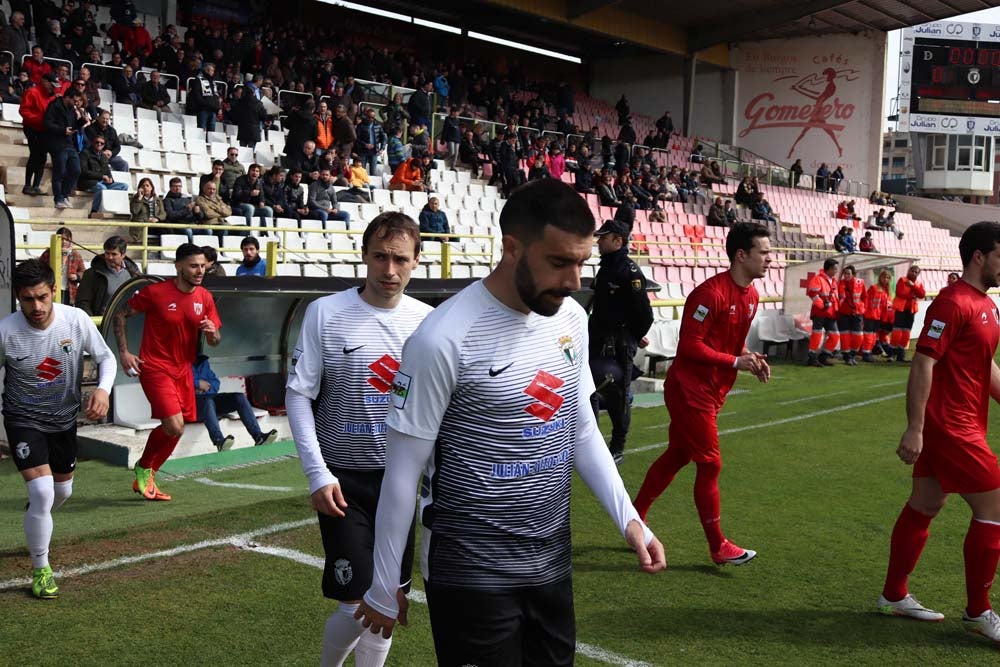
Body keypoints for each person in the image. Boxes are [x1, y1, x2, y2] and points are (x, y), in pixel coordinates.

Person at [355, 179, 665, 664]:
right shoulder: (441, 339)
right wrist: (383, 583)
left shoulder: (570, 321)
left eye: (581, 262)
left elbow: (580, 426)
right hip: (468, 568)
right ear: (512, 248)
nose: (574, 281)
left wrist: (629, 520)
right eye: (559, 262)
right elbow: (401, 473)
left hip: (550, 560)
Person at [286, 212, 433, 667]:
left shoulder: (428, 323)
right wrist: (316, 472)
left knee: (387, 602)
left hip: (401, 482)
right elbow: (298, 394)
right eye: (380, 257)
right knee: (355, 603)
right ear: (364, 255)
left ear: (416, 261)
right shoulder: (325, 312)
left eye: (400, 259)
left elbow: (436, 410)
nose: (389, 270)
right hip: (343, 480)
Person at [878, 221, 1000, 644]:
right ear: (980, 256)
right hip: (952, 426)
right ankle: (978, 612)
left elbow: (984, 367)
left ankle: (894, 595)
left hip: (961, 423)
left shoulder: (986, 303)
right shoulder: (952, 303)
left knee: (925, 504)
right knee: (995, 509)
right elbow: (923, 361)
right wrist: (915, 428)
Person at [632, 223, 770, 565]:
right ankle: (717, 546)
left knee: (678, 454)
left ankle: (632, 518)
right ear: (741, 255)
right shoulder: (710, 294)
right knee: (710, 463)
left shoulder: (751, 295)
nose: (770, 259)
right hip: (689, 390)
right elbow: (689, 346)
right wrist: (735, 361)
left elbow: (730, 341)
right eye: (763, 252)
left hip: (712, 390)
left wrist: (748, 356)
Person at [1, 259, 115, 599]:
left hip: (64, 420)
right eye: (27, 300)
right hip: (23, 419)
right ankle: (41, 569)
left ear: (54, 291)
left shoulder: (76, 320)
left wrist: (103, 390)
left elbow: (106, 358)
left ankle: (36, 520)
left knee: (60, 494)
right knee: (42, 493)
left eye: (41, 297)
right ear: (18, 299)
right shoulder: (6, 330)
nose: (35, 307)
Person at [113, 243, 222, 501]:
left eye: (203, 266)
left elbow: (216, 339)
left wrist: (212, 333)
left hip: (184, 370)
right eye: (194, 266)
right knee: (174, 425)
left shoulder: (204, 297)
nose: (200, 271)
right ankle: (144, 467)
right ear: (179, 266)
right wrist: (124, 353)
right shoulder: (156, 292)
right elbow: (120, 314)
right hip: (155, 367)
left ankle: (148, 471)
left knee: (177, 429)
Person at [589, 219, 653, 464]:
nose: (599, 241)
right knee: (589, 389)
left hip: (618, 345)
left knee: (618, 395)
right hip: (597, 340)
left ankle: (617, 447)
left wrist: (633, 337)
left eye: (603, 237)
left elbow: (645, 313)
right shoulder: (605, 268)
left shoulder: (631, 272)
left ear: (618, 241)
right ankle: (592, 442)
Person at [193, 354, 276, 452]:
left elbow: (215, 383)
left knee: (239, 397)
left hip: (209, 400)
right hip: (193, 405)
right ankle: (219, 441)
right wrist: (198, 384)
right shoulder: (181, 363)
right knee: (208, 401)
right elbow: (181, 382)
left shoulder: (203, 362)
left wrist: (204, 388)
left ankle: (258, 437)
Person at [75, 235, 141, 316]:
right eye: (107, 253)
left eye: (114, 254)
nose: (109, 257)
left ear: (123, 255)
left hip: (125, 324)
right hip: (101, 325)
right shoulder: (92, 274)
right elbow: (82, 302)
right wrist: (93, 324)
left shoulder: (133, 273)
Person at [43, 87, 85, 209]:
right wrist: (62, 130)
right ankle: (58, 199)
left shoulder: (71, 109)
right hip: (57, 143)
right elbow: (47, 123)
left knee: (76, 169)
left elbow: (73, 126)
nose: (76, 103)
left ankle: (65, 194)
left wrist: (81, 121)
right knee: (59, 172)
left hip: (69, 143)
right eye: (75, 100)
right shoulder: (54, 106)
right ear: (67, 98)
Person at [19, 71, 56, 196]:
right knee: (35, 155)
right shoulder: (32, 92)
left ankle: (36, 186)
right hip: (32, 128)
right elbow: (24, 110)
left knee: (42, 157)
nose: (54, 87)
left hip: (45, 130)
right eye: (52, 84)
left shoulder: (52, 95)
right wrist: (41, 119)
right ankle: (27, 185)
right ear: (45, 82)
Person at [79, 135, 128, 215]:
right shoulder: (85, 153)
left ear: (104, 145)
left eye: (102, 143)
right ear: (92, 142)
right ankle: (94, 211)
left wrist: (110, 179)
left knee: (124, 186)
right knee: (102, 188)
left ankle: (114, 208)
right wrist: (101, 176)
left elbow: (107, 171)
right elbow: (84, 172)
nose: (99, 144)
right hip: (87, 182)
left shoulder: (103, 156)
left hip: (102, 182)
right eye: (97, 142)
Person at [806, 258, 841, 367]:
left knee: (835, 336)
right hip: (820, 313)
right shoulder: (818, 279)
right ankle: (812, 358)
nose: (836, 270)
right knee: (817, 335)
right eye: (835, 268)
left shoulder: (833, 281)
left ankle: (823, 357)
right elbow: (812, 293)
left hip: (830, 313)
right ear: (829, 268)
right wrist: (822, 305)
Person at [38, 227, 84, 305]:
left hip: (69, 291)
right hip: (51, 288)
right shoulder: (48, 253)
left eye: (67, 239)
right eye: (61, 239)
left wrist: (77, 276)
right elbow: (39, 267)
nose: (64, 242)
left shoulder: (75, 254)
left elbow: (83, 271)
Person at [889, 265, 926, 362]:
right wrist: (913, 295)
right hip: (901, 309)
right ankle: (892, 354)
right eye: (912, 271)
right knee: (897, 332)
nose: (913, 273)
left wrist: (913, 286)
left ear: (918, 274)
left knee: (906, 333)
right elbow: (900, 293)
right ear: (909, 271)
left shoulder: (918, 283)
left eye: (916, 272)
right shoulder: (902, 280)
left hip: (911, 311)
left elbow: (922, 294)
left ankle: (901, 355)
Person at [836, 265, 866, 366]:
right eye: (845, 273)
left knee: (859, 336)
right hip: (844, 313)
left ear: (853, 274)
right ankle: (847, 357)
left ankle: (852, 354)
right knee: (845, 336)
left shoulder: (860, 282)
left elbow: (864, 297)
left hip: (857, 312)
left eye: (848, 273)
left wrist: (862, 308)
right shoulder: (841, 284)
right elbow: (841, 295)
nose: (846, 275)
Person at [860, 269, 891, 362]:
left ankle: (868, 353)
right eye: (884, 277)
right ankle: (866, 354)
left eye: (887, 278)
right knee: (869, 336)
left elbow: (884, 307)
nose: (885, 279)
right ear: (880, 278)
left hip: (877, 317)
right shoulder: (873, 288)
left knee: (873, 337)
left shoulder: (886, 291)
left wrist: (884, 319)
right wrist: (864, 314)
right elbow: (866, 301)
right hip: (869, 316)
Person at [231, 163, 273, 228]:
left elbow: (262, 195)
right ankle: (247, 231)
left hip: (253, 206)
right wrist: (249, 193)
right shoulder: (240, 180)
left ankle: (265, 232)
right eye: (253, 170)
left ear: (259, 174)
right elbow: (236, 195)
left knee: (268, 210)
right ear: (248, 171)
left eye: (257, 171)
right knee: (250, 208)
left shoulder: (259, 182)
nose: (255, 173)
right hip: (239, 204)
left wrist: (262, 202)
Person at [163, 176, 199, 241]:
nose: (177, 188)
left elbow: (196, 216)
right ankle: (191, 250)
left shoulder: (186, 199)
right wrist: (187, 210)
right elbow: (171, 215)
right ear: (170, 187)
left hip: (191, 224)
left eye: (179, 186)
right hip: (177, 225)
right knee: (188, 231)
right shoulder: (167, 200)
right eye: (175, 186)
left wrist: (197, 212)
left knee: (207, 231)